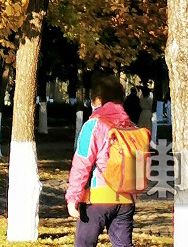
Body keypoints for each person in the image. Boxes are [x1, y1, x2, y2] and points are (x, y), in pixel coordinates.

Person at [66, 74, 137, 247]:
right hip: (126, 199)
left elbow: (82, 163)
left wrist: (73, 197)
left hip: (97, 198)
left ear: (97, 99)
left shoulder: (94, 125)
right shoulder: (131, 126)